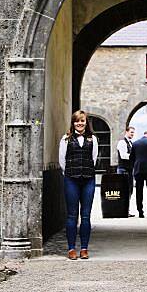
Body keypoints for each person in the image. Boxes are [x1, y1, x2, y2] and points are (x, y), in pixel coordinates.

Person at [59, 109, 98, 260]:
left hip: (88, 179)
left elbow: (93, 159)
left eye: (82, 121)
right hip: (71, 179)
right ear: (73, 122)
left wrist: (85, 170)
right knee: (72, 215)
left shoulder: (92, 139)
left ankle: (84, 248)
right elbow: (62, 160)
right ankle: (71, 249)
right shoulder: (65, 139)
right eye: (77, 121)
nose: (80, 123)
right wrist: (70, 172)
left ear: (86, 123)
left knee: (86, 216)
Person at [116, 124, 136, 215]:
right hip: (123, 169)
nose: (132, 134)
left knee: (129, 190)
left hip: (129, 169)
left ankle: (126, 210)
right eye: (131, 132)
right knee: (124, 190)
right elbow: (123, 155)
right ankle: (122, 210)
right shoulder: (122, 142)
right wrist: (135, 157)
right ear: (126, 132)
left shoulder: (131, 143)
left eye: (133, 133)